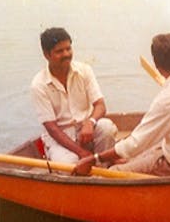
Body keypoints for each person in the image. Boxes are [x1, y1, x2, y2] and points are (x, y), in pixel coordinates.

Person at [73, 33, 170, 176]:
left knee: (113, 173)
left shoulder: (168, 97)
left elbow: (136, 143)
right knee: (136, 155)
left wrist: (95, 158)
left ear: (156, 64)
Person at [30, 27, 117, 166]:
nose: (66, 54)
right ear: (46, 55)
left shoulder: (84, 70)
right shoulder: (39, 85)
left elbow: (100, 105)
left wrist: (90, 122)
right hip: (61, 140)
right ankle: (93, 164)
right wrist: (81, 153)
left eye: (68, 49)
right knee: (69, 164)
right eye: (59, 51)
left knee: (107, 128)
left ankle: (103, 169)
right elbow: (52, 128)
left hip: (86, 131)